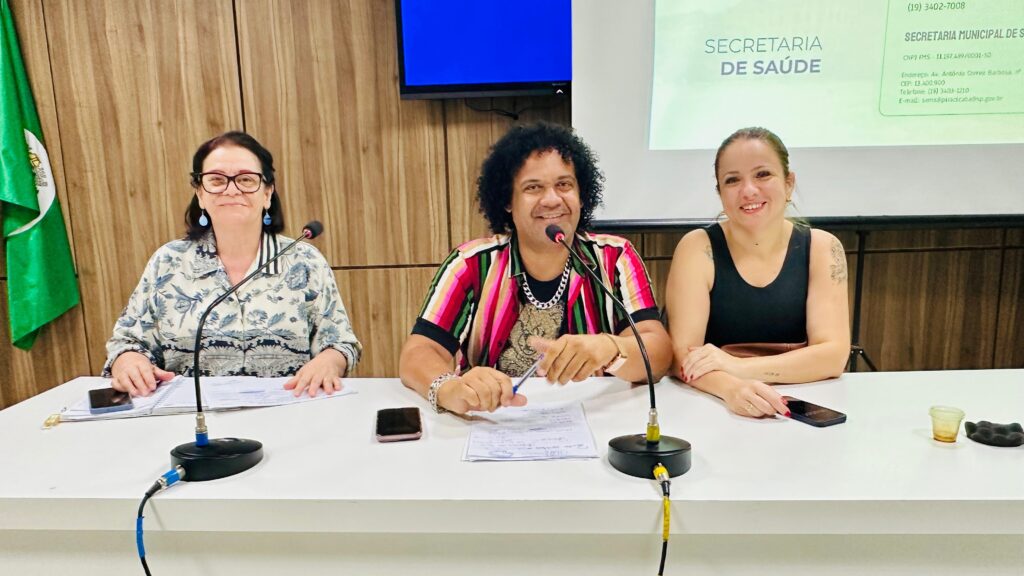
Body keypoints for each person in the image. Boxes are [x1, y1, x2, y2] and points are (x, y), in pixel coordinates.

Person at [399, 122, 672, 415]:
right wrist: (448, 387)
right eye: (533, 188)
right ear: (507, 201)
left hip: (597, 418)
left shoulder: (615, 257)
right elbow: (418, 353)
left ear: (581, 195)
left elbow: (658, 353)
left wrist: (611, 348)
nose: (552, 199)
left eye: (564, 185)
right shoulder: (471, 263)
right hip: (493, 423)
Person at [104, 131, 361, 398]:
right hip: (191, 421)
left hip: (288, 409)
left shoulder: (304, 261)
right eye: (216, 180)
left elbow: (340, 343)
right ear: (200, 194)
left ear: (267, 193)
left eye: (246, 179)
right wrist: (129, 361)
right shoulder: (168, 262)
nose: (231, 189)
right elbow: (127, 342)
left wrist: (329, 361)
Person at [665, 127, 850, 418]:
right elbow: (681, 356)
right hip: (715, 404)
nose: (749, 190)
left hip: (805, 401)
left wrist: (739, 368)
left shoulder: (823, 248)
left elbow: (833, 356)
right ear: (720, 193)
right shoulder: (698, 248)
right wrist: (731, 388)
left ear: (789, 183)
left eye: (763, 174)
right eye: (732, 180)